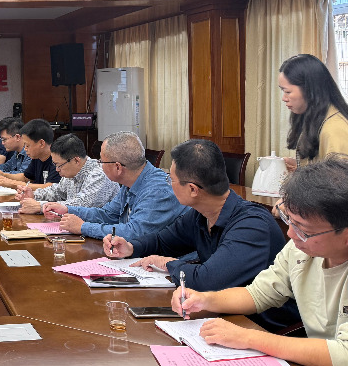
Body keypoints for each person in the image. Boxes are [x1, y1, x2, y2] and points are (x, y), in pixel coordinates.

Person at [173, 155, 348, 366]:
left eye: (304, 229)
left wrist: (250, 338)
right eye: (289, 220)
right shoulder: (300, 251)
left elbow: (344, 356)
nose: (291, 234)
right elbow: (258, 294)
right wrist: (205, 300)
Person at [104, 139, 298, 329]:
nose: (168, 184)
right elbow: (162, 241)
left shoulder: (252, 226)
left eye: (171, 179)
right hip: (221, 316)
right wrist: (131, 247)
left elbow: (207, 281)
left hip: (263, 327)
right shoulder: (201, 214)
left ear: (192, 189)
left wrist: (168, 263)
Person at [44, 131, 184, 239]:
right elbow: (108, 214)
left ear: (117, 167)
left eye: (101, 161)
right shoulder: (129, 183)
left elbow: (134, 232)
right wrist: (67, 209)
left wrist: (83, 227)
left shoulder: (157, 190)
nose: (99, 165)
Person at [278, 53, 348, 172]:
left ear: (309, 90)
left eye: (288, 92)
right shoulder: (319, 118)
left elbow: (340, 181)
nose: (284, 98)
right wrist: (301, 168)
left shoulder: (335, 129)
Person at [17, 134, 119, 214]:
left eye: (59, 165)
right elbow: (57, 192)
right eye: (55, 165)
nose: (57, 169)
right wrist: (34, 195)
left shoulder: (99, 174)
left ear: (76, 160)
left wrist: (41, 206)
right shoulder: (71, 173)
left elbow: (81, 204)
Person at [0, 119, 60, 190]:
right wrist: (3, 175)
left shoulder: (57, 159)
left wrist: (13, 184)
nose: (25, 149)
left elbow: (50, 187)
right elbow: (25, 178)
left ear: (41, 143)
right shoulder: (37, 157)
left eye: (27, 145)